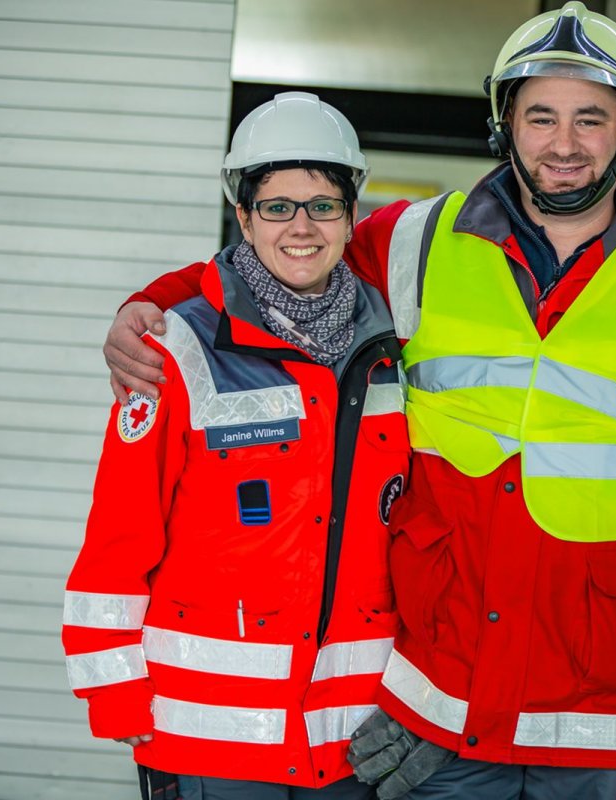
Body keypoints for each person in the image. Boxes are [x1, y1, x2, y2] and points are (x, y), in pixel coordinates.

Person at [100, 5, 616, 797]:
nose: (564, 144)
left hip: (605, 717)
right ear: (504, 122)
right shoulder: (413, 241)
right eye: (540, 116)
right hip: (438, 704)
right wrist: (156, 300)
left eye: (591, 118)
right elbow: (278, 264)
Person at [62, 92, 408, 800]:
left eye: (323, 205)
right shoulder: (175, 348)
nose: (302, 226)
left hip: (351, 737)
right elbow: (118, 535)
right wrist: (113, 690)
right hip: (204, 734)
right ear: (244, 215)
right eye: (278, 206)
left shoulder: (396, 349)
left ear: (352, 215)